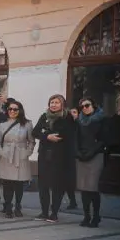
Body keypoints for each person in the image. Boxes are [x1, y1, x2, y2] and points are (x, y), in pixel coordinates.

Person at [32, 94, 74, 222]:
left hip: (60, 156)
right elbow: (35, 132)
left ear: (62, 104)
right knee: (43, 184)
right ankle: (44, 212)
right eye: (52, 102)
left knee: (57, 185)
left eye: (56, 102)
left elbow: (66, 134)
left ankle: (54, 213)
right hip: (44, 155)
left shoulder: (67, 117)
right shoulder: (44, 116)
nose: (53, 105)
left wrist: (46, 132)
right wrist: (47, 136)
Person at [0, 100, 35, 219]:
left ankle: (18, 206)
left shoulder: (27, 124)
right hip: (6, 156)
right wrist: (1, 152)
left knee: (19, 184)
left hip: (20, 155)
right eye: (10, 109)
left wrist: (26, 153)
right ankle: (8, 207)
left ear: (20, 110)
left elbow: (31, 141)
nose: (12, 111)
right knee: (7, 183)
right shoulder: (2, 125)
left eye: (15, 109)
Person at [75, 97, 107, 227]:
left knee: (93, 187)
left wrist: (92, 152)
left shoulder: (102, 119)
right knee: (83, 188)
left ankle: (96, 216)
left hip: (96, 155)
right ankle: (86, 216)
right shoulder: (79, 121)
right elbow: (75, 138)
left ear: (93, 105)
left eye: (87, 105)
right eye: (82, 107)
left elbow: (104, 139)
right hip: (81, 156)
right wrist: (77, 152)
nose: (84, 108)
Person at [65, 108, 79, 210]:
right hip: (68, 154)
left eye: (74, 112)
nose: (72, 114)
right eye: (70, 112)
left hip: (80, 155)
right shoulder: (67, 125)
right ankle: (72, 201)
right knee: (68, 179)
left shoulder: (81, 124)